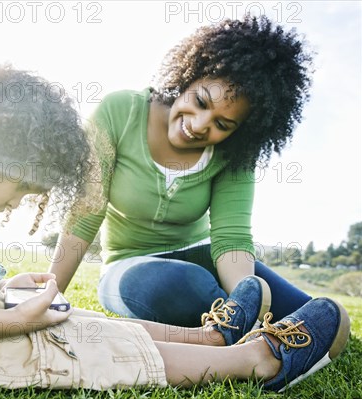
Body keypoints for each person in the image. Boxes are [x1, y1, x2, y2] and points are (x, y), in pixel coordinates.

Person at [0, 65, 349, 392]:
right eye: (30, 189)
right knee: (77, 345)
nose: (22, 201)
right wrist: (11, 321)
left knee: (79, 323)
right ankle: (253, 360)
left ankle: (209, 335)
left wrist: (5, 294)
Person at [48, 15, 316, 327]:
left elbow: (231, 238)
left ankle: (241, 327)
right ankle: (245, 332)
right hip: (129, 267)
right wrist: (50, 294)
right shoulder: (120, 111)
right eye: (201, 102)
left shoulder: (235, 152)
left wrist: (244, 297)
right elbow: (86, 210)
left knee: (316, 315)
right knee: (182, 287)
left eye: (222, 124)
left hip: (203, 255)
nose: (200, 125)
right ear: (190, 76)